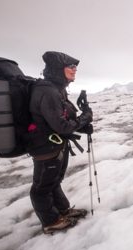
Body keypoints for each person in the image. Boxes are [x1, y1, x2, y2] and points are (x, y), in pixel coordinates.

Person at [26, 51, 93, 234]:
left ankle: (63, 211)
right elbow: (62, 125)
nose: (74, 70)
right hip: (45, 147)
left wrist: (81, 124)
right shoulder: (47, 91)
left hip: (55, 144)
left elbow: (64, 119)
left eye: (75, 67)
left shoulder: (56, 89)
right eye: (70, 67)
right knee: (42, 188)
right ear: (58, 69)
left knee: (54, 181)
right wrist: (85, 119)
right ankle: (51, 221)